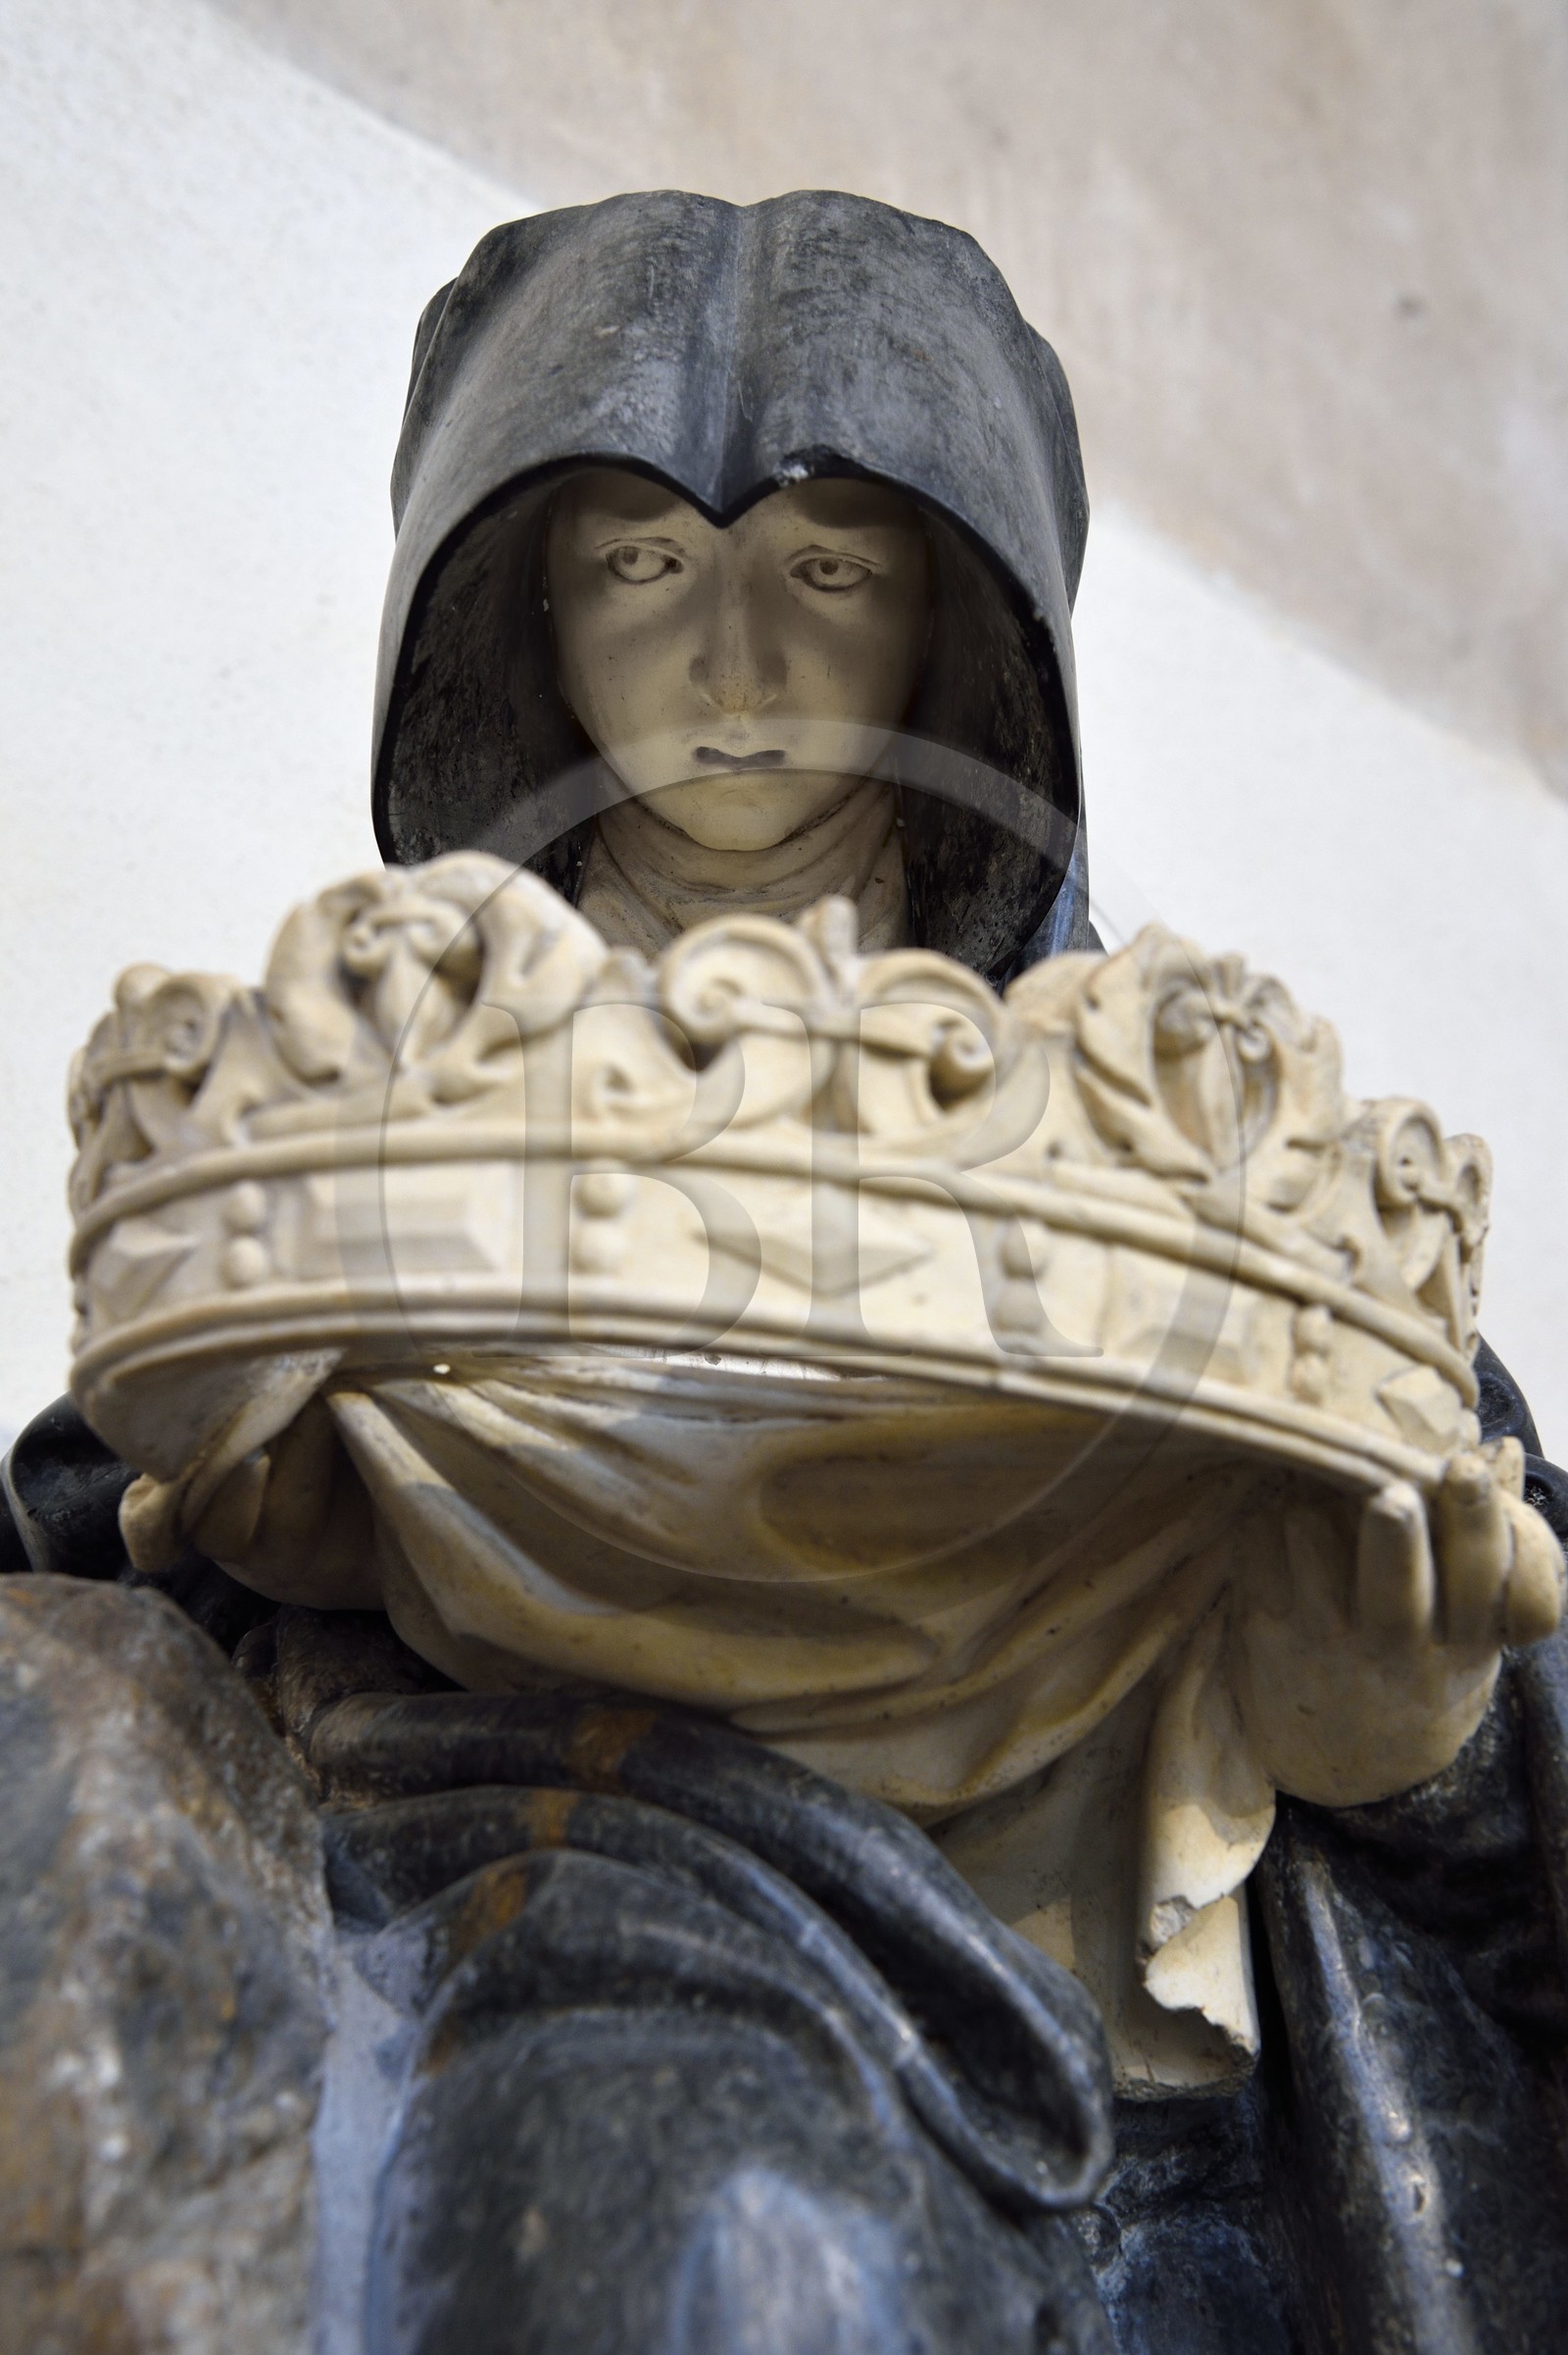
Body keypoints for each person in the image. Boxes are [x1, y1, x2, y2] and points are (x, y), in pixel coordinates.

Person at [5, 191, 1568, 2355]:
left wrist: (1396, 1736)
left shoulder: (1166, 1151)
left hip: (1044, 2013)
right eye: (639, 569)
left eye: (826, 575)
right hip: (537, 1858)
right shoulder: (394, 1080)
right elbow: (114, 1502)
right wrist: (252, 1524)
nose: (730, 667)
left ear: (951, 627)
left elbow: (1496, 1772)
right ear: (521, 612)